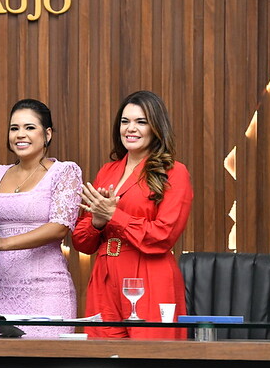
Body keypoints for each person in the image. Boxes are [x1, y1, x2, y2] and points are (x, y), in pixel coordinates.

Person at [73, 90, 193, 339]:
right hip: (105, 277)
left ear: (156, 127)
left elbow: (163, 235)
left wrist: (114, 215)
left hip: (150, 277)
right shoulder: (107, 171)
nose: (131, 128)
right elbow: (82, 242)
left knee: (150, 364)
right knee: (102, 366)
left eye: (141, 121)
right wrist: (97, 222)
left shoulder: (174, 172)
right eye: (125, 122)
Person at [0, 99, 81, 337]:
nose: (20, 134)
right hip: (0, 289)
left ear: (47, 133)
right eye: (14, 128)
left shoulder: (65, 171)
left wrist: (3, 243)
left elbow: (59, 228)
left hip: (47, 291)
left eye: (30, 127)